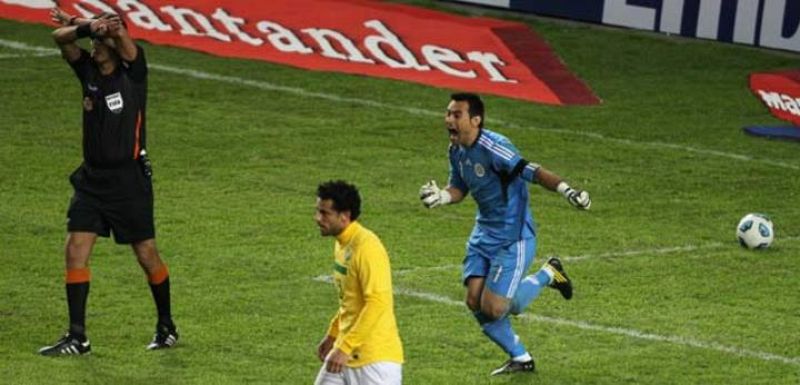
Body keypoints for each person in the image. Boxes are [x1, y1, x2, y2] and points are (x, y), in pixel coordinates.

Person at [419, 93, 591, 375]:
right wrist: (442, 197)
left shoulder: (495, 147)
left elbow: (531, 171)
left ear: (475, 120)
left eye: (456, 114)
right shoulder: (456, 151)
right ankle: (521, 358)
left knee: (497, 307)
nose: (448, 119)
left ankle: (549, 273)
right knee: (474, 300)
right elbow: (459, 187)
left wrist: (567, 190)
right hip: (483, 234)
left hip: (513, 237)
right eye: (448, 113)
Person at [39, 8, 178, 356]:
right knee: (75, 249)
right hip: (91, 181)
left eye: (101, 42)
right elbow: (59, 39)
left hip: (128, 183)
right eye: (95, 41)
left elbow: (126, 42)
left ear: (115, 45)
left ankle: (166, 326)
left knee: (146, 254)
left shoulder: (134, 74)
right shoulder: (87, 71)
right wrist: (86, 26)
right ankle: (78, 337)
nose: (95, 46)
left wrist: (109, 27)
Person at [314, 181, 404, 385]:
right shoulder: (343, 244)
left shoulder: (367, 248)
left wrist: (345, 347)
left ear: (344, 216)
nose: (318, 219)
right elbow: (350, 300)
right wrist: (333, 334)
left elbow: (378, 302)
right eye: (318, 211)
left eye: (325, 213)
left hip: (374, 362)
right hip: (344, 353)